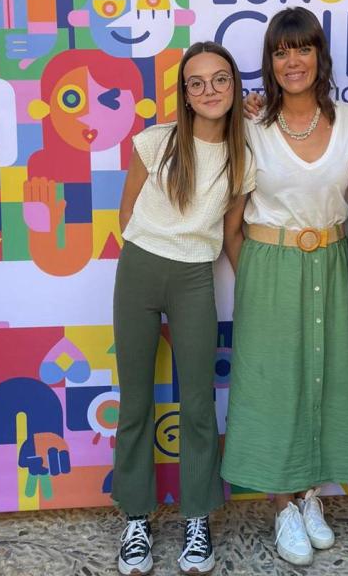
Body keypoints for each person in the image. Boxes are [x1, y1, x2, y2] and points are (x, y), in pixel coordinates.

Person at [221, 7, 348, 567]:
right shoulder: (252, 128)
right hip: (270, 265)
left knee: (327, 377)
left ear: (320, 56)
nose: (293, 61)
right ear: (270, 61)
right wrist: (258, 279)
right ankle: (283, 504)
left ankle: (311, 494)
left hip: (334, 261)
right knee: (274, 384)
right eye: (281, 51)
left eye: (303, 48)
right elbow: (231, 224)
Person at [113, 41, 255, 575]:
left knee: (197, 403)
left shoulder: (243, 158)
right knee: (135, 399)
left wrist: (253, 290)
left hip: (196, 276)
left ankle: (198, 518)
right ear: (185, 94)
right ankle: (136, 518)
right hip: (139, 270)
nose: (209, 90)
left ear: (234, 86)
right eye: (197, 83)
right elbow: (127, 210)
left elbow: (232, 230)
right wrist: (149, 249)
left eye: (220, 79)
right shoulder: (156, 142)